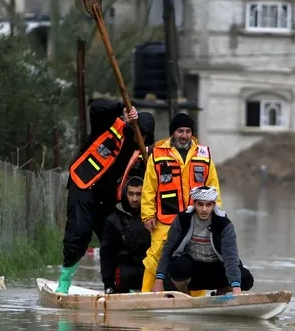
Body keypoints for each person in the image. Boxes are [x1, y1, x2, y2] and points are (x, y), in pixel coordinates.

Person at [58, 99, 156, 293]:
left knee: (117, 243)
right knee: (79, 233)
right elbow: (95, 107)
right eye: (139, 132)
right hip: (84, 188)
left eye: (145, 135)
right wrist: (121, 108)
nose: (141, 137)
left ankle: (114, 286)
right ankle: (65, 281)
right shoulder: (110, 126)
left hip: (107, 201)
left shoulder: (143, 157)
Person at [140, 112, 221, 293]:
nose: (184, 135)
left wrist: (217, 216)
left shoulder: (204, 155)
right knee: (155, 258)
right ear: (172, 133)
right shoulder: (158, 154)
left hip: (196, 219)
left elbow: (214, 188)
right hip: (165, 220)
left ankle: (195, 300)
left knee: (197, 258)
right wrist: (147, 215)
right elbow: (149, 188)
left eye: (188, 131)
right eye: (180, 131)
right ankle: (146, 295)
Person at [153, 185, 254, 295]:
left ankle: (222, 294)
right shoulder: (182, 220)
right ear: (194, 204)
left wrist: (236, 288)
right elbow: (168, 249)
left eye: (208, 205)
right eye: (200, 204)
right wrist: (159, 280)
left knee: (245, 279)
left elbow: (231, 258)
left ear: (214, 205)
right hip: (194, 270)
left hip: (217, 269)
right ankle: (185, 297)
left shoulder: (224, 224)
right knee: (175, 269)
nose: (204, 209)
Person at [99, 176, 150, 294]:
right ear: (124, 194)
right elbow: (107, 255)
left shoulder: (154, 218)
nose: (134, 199)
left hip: (148, 268)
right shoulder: (112, 220)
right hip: (125, 269)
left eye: (139, 194)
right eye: (131, 194)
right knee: (123, 274)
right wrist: (108, 284)